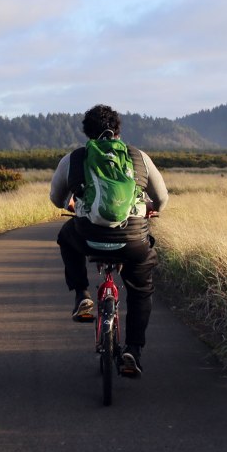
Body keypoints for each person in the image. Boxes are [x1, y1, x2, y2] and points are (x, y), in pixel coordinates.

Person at [49, 104, 169, 378]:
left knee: (66, 238)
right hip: (133, 239)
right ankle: (133, 351)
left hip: (88, 236)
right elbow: (162, 199)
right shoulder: (139, 157)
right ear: (118, 130)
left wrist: (71, 203)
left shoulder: (75, 158)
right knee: (140, 290)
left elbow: (56, 198)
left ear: (87, 132)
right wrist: (150, 207)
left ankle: (82, 296)